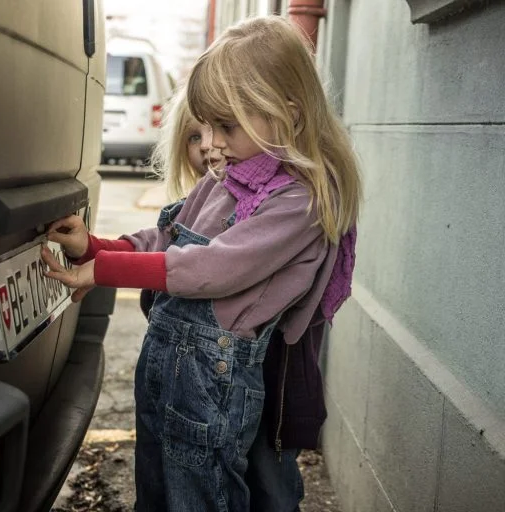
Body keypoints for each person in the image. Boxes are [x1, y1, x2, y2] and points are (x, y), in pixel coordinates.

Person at [42, 15, 361, 511]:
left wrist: (103, 273)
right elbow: (166, 237)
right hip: (168, 363)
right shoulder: (224, 179)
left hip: (213, 374)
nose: (209, 143)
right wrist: (98, 248)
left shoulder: (297, 201)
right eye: (205, 126)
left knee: (201, 495)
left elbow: (211, 267)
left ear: (289, 114)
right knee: (158, 488)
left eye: (225, 126)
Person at [140, 87, 226, 318]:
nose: (206, 145)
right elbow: (158, 240)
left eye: (221, 127)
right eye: (194, 137)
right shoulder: (193, 204)